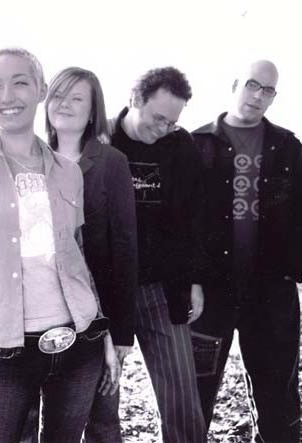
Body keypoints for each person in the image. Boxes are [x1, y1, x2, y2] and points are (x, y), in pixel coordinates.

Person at [0, 48, 119, 442]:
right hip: (7, 352)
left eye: (19, 82)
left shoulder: (68, 172)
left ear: (41, 90)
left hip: (80, 342)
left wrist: (104, 333)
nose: (7, 96)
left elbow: (78, 259)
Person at [191, 60, 301, 443]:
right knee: (194, 402)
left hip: (271, 294)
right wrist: (190, 280)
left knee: (279, 405)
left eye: (267, 90)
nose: (258, 95)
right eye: (252, 84)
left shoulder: (288, 147)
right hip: (208, 294)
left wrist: (294, 268)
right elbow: (180, 220)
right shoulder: (196, 144)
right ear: (235, 83)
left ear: (274, 97)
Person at [108, 67, 207, 443]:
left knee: (182, 398)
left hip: (161, 289)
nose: (164, 128)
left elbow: (194, 217)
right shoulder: (101, 137)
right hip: (105, 290)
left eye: (172, 122)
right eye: (158, 118)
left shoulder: (181, 145)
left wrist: (195, 281)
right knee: (100, 399)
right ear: (135, 99)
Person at [44, 67, 137, 442]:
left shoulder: (112, 162)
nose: (64, 104)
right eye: (58, 95)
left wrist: (122, 331)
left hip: (97, 315)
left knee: (102, 419)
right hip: (40, 312)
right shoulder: (31, 157)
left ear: (93, 109)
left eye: (76, 98)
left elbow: (125, 247)